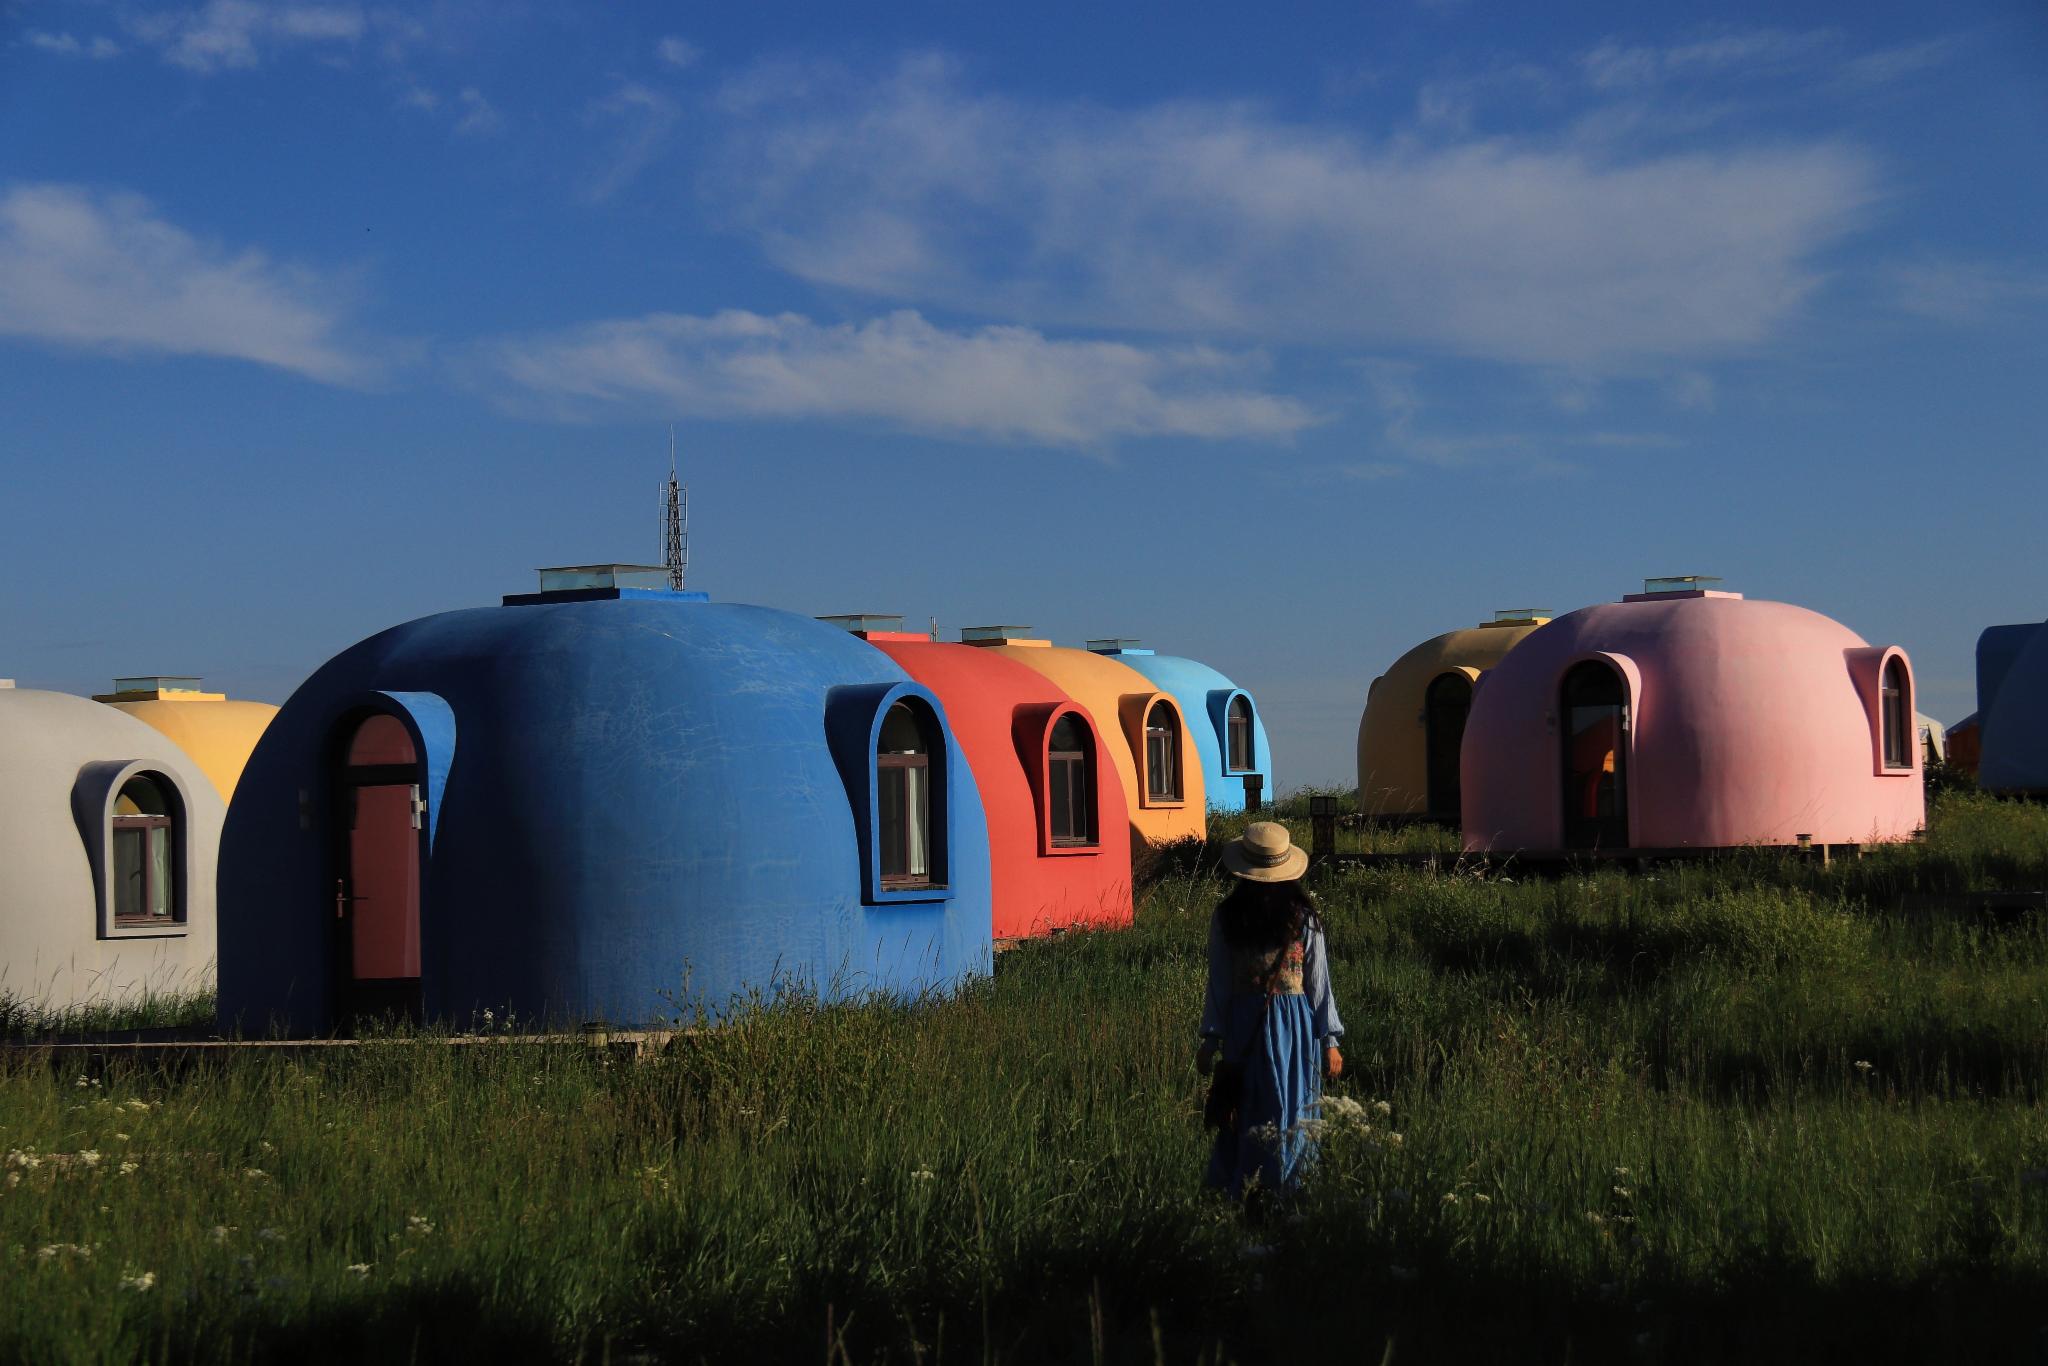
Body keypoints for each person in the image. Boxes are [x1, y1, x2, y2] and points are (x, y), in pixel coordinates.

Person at [1196, 821, 1344, 1199]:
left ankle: (1267, 1192)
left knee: (1265, 1110)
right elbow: (1318, 983)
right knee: (1280, 1109)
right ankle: (1275, 1191)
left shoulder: (1238, 917)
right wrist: (1328, 1040)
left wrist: (1212, 1039)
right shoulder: (1297, 918)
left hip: (1259, 1025)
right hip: (1287, 1027)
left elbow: (1220, 985)